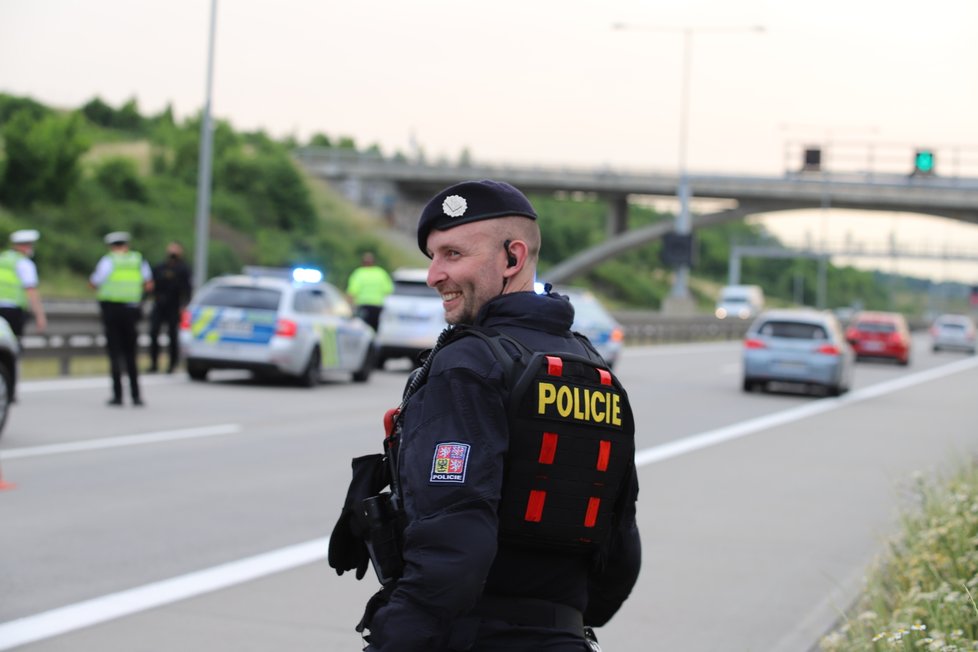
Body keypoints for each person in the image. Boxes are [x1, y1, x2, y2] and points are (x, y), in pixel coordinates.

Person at [331, 180, 641, 651]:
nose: (435, 275)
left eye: (453, 255)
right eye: (433, 256)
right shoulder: (591, 368)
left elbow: (454, 545)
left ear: (512, 258)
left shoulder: (469, 366)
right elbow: (620, 550)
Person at [89, 232, 153, 407]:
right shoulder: (138, 260)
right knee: (131, 355)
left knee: (115, 353)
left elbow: (95, 282)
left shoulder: (108, 261)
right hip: (132, 312)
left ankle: (117, 396)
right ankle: (136, 396)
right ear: (127, 244)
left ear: (111, 245)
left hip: (112, 311)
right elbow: (148, 284)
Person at [148, 241, 192, 373]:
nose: (173, 252)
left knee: (172, 335)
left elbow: (187, 289)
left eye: (176, 249)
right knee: (153, 332)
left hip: (174, 306)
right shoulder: (160, 267)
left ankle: (172, 364)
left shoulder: (183, 269)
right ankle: (154, 363)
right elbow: (151, 284)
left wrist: (184, 305)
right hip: (159, 304)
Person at [0, 229, 48, 341]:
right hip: (13, 310)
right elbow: (31, 290)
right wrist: (40, 316)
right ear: (25, 246)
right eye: (30, 245)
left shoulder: (2, 258)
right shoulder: (25, 263)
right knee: (14, 345)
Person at [346, 252, 393, 332]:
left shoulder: (359, 273)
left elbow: (352, 291)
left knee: (363, 328)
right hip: (377, 306)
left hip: (363, 305)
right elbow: (388, 290)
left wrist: (350, 307)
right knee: (374, 328)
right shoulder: (380, 273)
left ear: (363, 263)